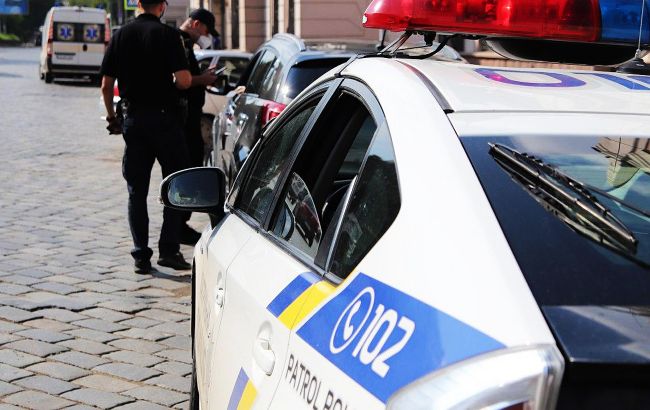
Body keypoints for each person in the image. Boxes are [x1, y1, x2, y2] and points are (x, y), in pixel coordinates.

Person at [100, 0, 193, 274]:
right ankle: (169, 250)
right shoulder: (168, 35)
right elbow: (185, 80)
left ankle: (141, 254)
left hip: (134, 121)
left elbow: (106, 85)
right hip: (166, 121)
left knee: (136, 191)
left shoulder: (120, 35)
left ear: (139, 4)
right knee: (175, 185)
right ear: (162, 7)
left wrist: (112, 118)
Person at [177, 9, 219, 245]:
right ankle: (178, 225)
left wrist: (202, 77)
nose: (205, 36)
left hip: (189, 117)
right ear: (195, 24)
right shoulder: (179, 42)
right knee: (187, 169)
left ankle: (180, 223)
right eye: (205, 30)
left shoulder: (185, 44)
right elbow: (181, 82)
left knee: (191, 165)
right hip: (184, 120)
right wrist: (203, 79)